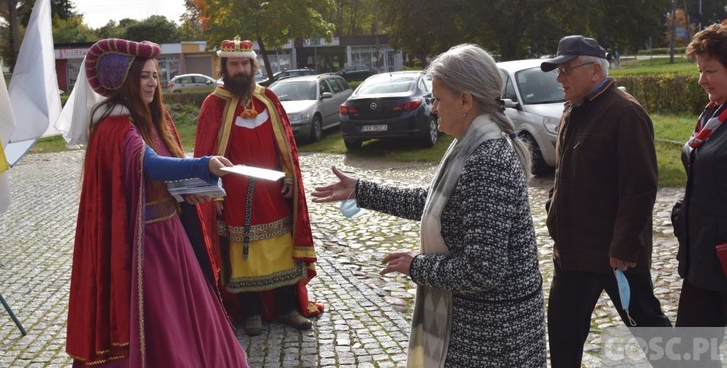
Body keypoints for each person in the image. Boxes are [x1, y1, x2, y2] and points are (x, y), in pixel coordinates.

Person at [312, 44, 546, 366]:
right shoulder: (471, 146)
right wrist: (361, 191)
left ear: (465, 101)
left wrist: (416, 267)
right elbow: (438, 205)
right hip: (481, 332)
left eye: (437, 98)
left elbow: (483, 270)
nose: (433, 108)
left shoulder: (486, 159)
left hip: (494, 340)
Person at [60, 38, 248, 367]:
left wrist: (189, 189)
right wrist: (204, 165)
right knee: (160, 322)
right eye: (144, 76)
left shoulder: (148, 120)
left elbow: (160, 173)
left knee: (184, 318)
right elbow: (149, 165)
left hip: (169, 236)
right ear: (126, 81)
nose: (152, 83)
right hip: (142, 245)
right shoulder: (115, 125)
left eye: (155, 76)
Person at [540, 35, 671, 367]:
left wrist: (624, 247)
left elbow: (640, 186)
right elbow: (563, 174)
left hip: (617, 258)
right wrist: (553, 209)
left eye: (567, 69)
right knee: (563, 340)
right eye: (558, 70)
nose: (560, 77)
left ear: (595, 70)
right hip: (571, 255)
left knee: (656, 337)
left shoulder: (625, 112)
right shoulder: (573, 109)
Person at [193, 37, 323, 336]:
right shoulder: (213, 105)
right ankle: (250, 312)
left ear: (254, 66)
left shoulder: (269, 99)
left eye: (244, 63)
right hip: (235, 194)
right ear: (224, 67)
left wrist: (290, 176)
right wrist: (213, 194)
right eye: (233, 64)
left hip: (274, 192)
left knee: (280, 249)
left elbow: (286, 146)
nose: (240, 69)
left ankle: (287, 308)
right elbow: (205, 153)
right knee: (243, 253)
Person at [672, 23, 727, 327]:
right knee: (693, 353)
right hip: (702, 258)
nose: (701, 80)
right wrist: (682, 214)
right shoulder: (713, 114)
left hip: (722, 257)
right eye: (699, 71)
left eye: (710, 71)